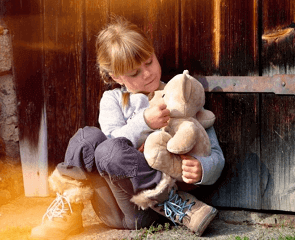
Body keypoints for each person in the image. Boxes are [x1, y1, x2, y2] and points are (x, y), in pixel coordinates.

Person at [30, 17, 225, 239]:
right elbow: (110, 146)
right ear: (115, 76)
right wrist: (144, 123)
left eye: (149, 62)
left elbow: (215, 152)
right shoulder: (112, 99)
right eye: (134, 73)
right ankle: (68, 211)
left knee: (107, 149)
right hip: (110, 208)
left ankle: (176, 203)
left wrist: (203, 168)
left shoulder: (178, 94)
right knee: (88, 138)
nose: (147, 73)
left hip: (154, 209)